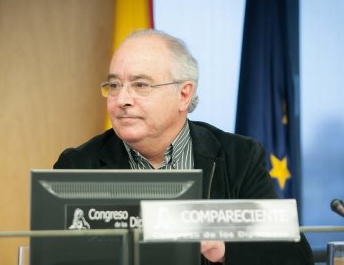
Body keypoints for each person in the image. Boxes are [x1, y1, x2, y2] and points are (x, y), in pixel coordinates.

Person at [54, 29, 314, 264]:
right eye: (114, 85)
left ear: (184, 94)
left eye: (140, 85)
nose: (122, 99)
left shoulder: (239, 158)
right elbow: (56, 257)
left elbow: (294, 257)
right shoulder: (78, 166)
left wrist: (222, 248)